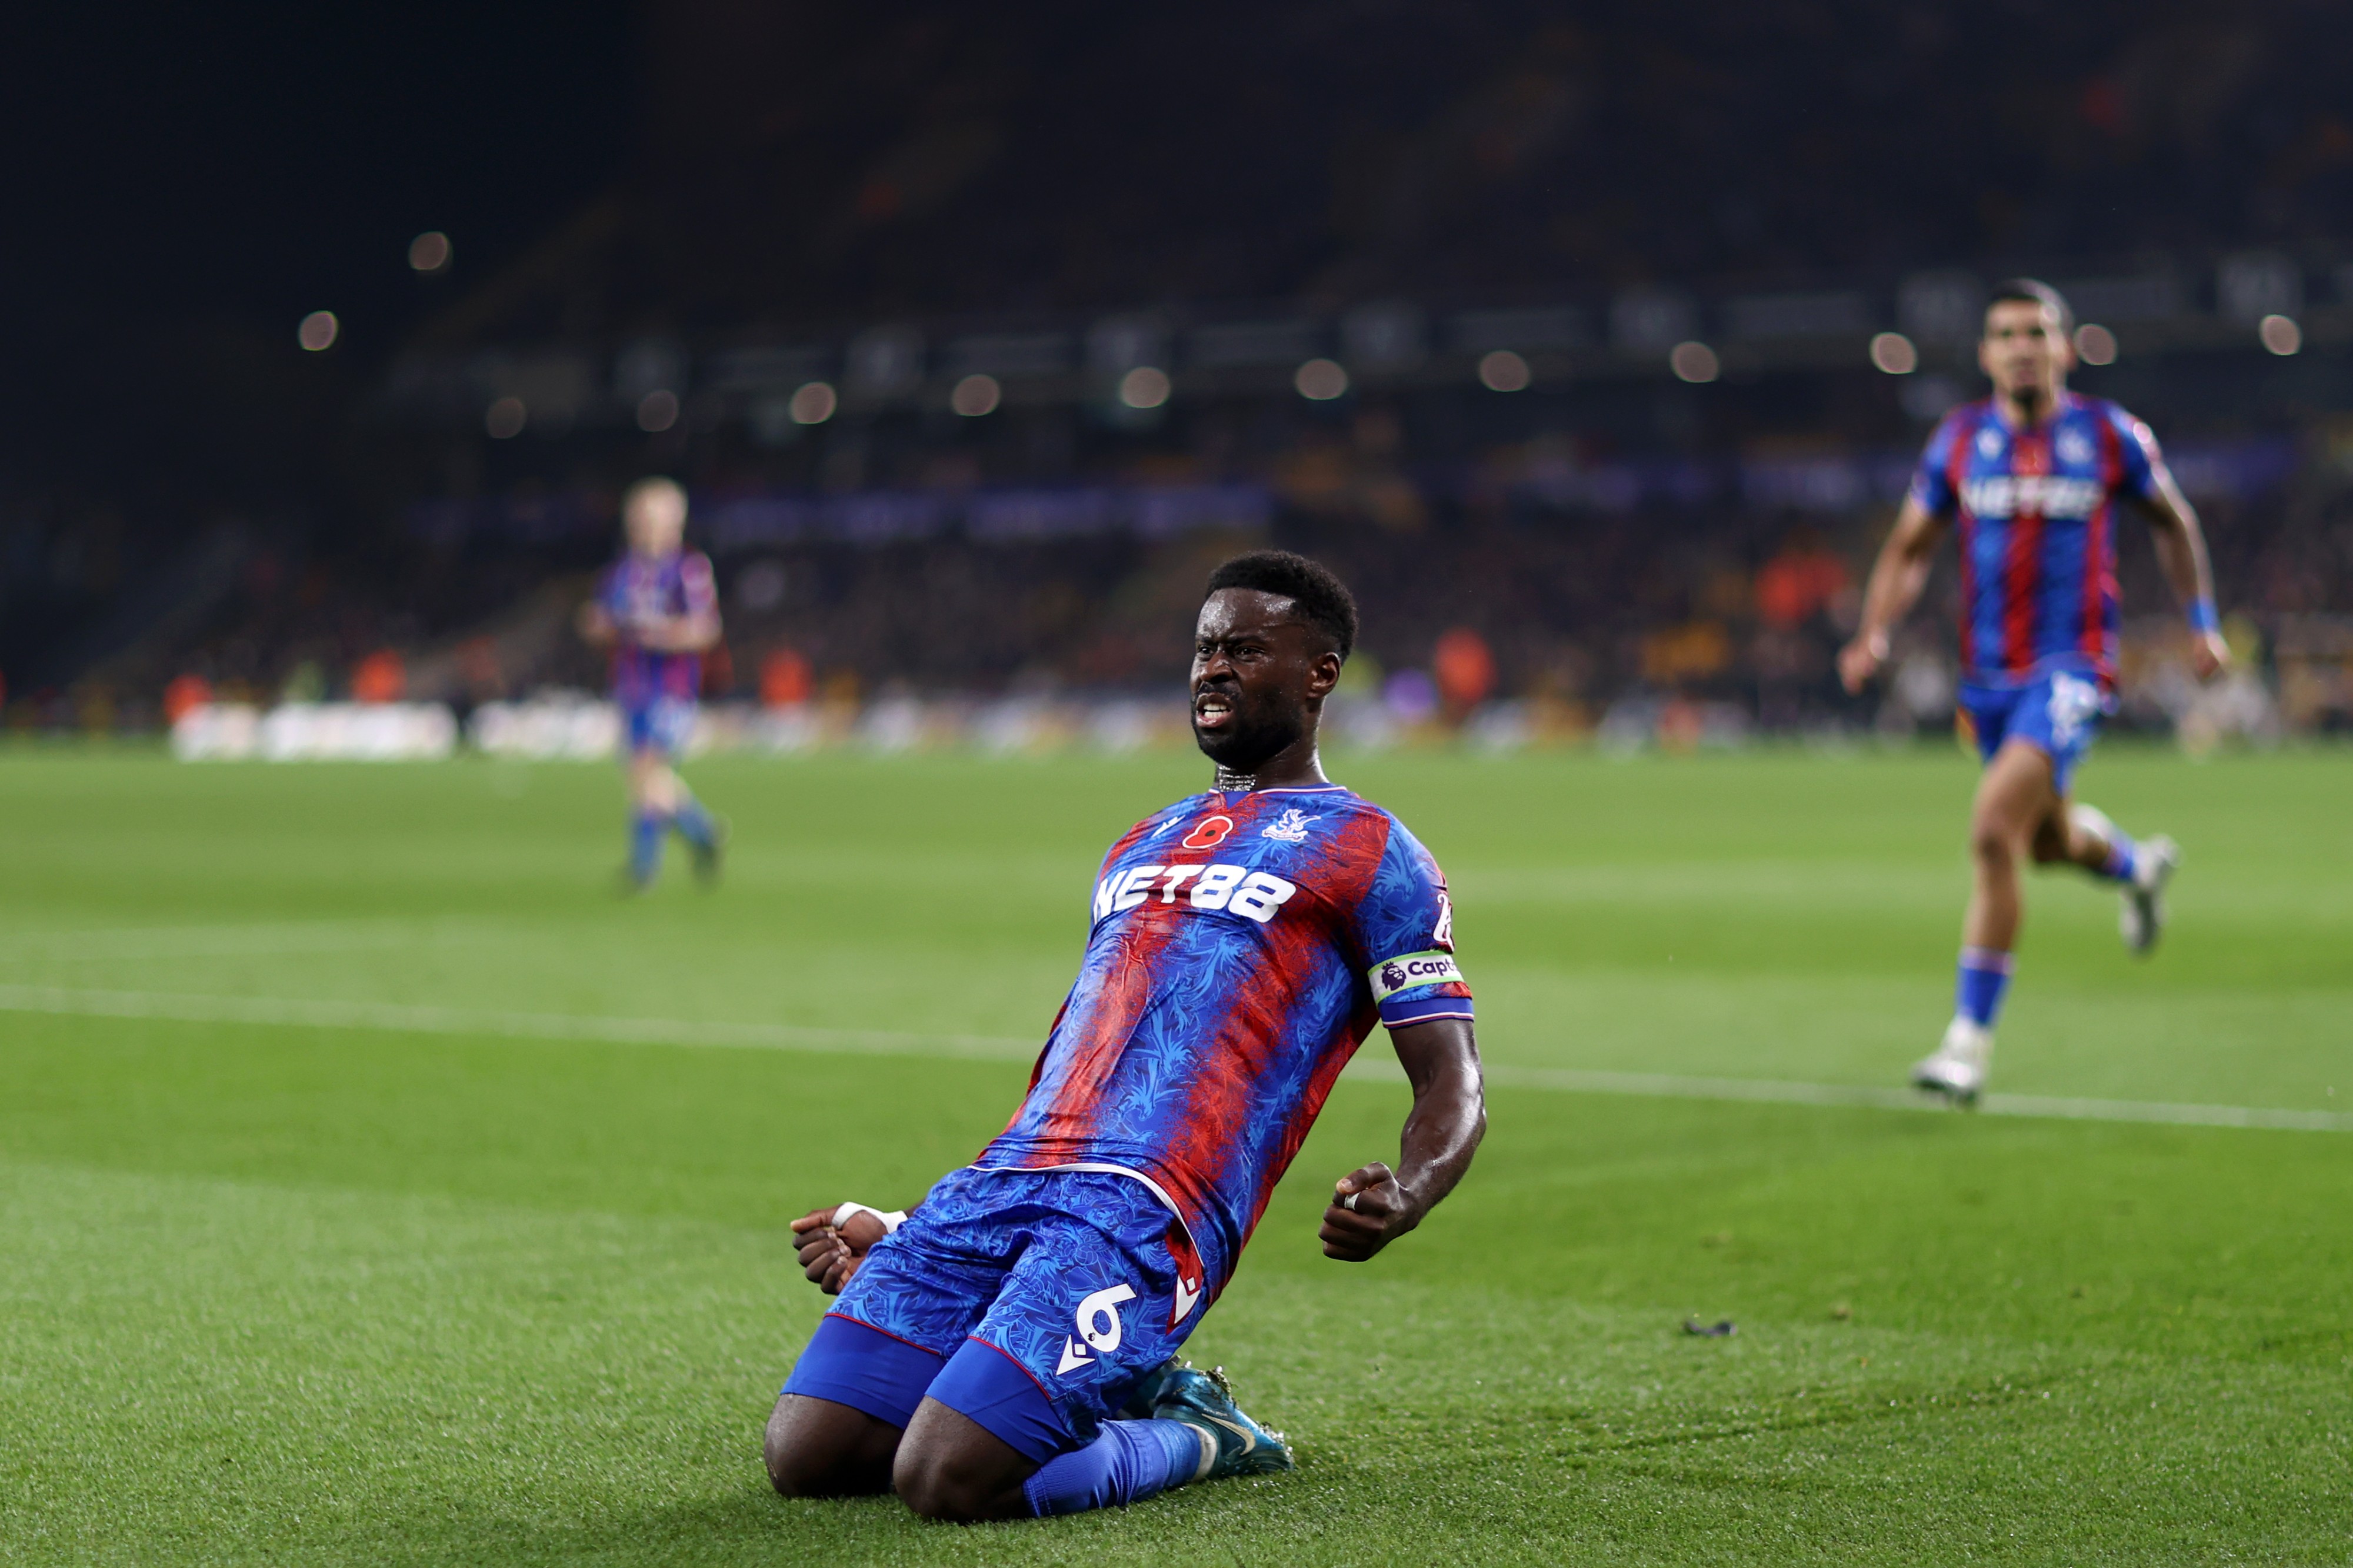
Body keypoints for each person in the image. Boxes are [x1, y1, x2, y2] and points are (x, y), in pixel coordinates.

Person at [762, 550, 1485, 1522]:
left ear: (1321, 673)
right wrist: (910, 1229)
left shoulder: (1373, 851)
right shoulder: (1144, 837)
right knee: (808, 1455)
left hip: (1149, 1207)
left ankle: (1199, 1431)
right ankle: (1023, 1330)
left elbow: (1454, 1085)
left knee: (944, 1478)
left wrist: (1409, 1191)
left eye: (1245, 649)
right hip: (1010, 1179)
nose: (1212, 669)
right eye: (1202, 648)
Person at [1838, 279, 2229, 1103]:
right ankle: (2135, 865)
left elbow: (2174, 521)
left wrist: (2201, 622)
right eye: (2006, 334)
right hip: (1986, 681)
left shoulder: (2108, 434)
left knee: (1992, 832)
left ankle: (1966, 1045)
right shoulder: (1957, 441)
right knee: (2046, 842)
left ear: (2066, 348)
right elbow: (1910, 547)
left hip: (2071, 670)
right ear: (1986, 354)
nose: (2022, 346)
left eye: (2037, 332)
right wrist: (1875, 630)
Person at [575, 476, 726, 889]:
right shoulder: (623, 571)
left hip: (672, 686)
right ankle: (701, 833)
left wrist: (663, 634)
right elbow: (601, 619)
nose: (641, 527)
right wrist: (599, 625)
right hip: (632, 685)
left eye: (650, 518)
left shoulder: (688, 569)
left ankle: (645, 867)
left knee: (647, 770)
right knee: (643, 777)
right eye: (636, 518)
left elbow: (707, 628)